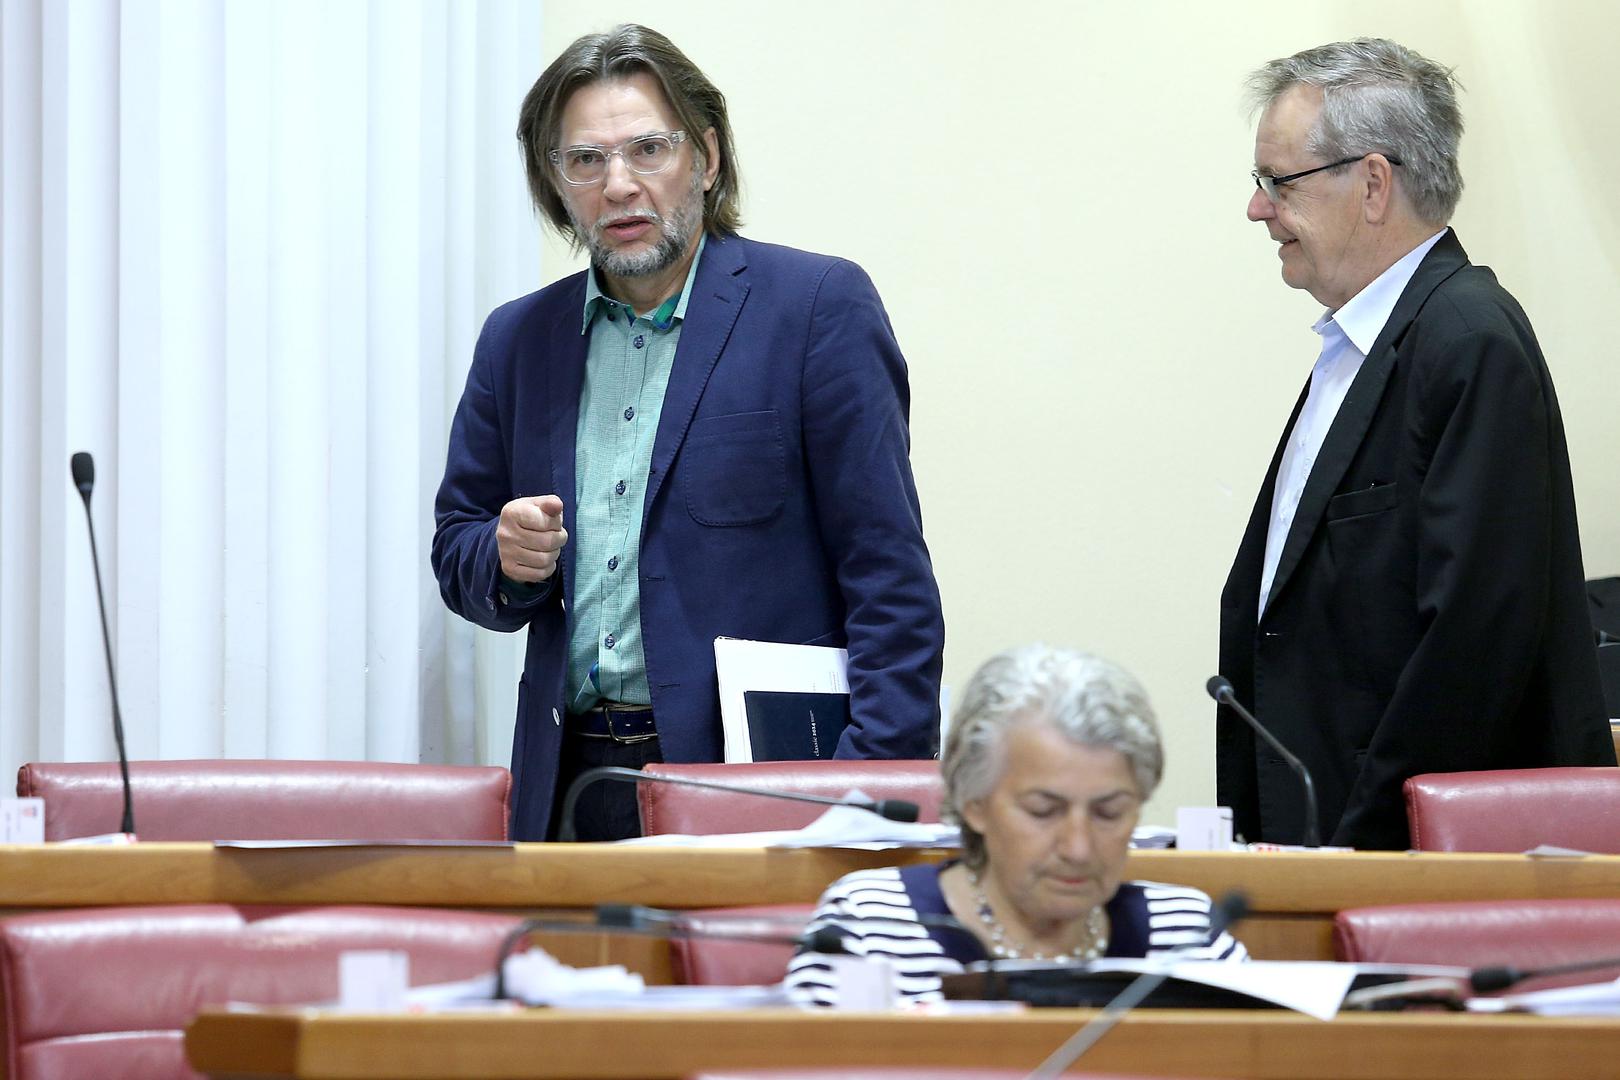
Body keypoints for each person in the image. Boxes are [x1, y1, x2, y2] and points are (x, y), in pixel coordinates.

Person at [431, 25, 944, 842]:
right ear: (555, 181)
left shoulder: (816, 308)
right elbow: (458, 545)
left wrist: (868, 790)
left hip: (763, 784)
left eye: (648, 149)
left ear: (705, 157)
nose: (619, 185)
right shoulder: (517, 340)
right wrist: (503, 557)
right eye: (586, 160)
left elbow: (889, 579)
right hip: (568, 784)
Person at [1218, 38, 1614, 851]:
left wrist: (1361, 849)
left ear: (1372, 183)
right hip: (1330, 848)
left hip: (1416, 862)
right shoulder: (1364, 346)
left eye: (1279, 182)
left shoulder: (1467, 340)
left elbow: (1474, 646)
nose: (1258, 208)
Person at [787, 645, 1246, 1007]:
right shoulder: (871, 926)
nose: (1079, 848)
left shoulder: (1187, 937)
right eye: (1043, 811)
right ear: (973, 803)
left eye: (1109, 813)